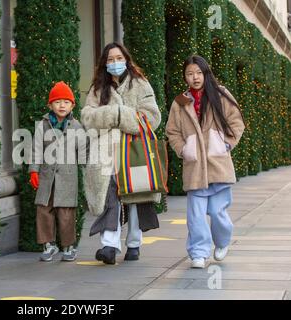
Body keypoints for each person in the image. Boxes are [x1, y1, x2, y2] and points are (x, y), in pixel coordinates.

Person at [81, 42, 162, 264]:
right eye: (110, 59)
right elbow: (87, 117)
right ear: (104, 63)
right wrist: (112, 114)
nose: (114, 63)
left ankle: (134, 243)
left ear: (126, 59)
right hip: (106, 151)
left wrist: (120, 116)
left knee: (135, 196)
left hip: (134, 150)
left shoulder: (141, 84)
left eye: (118, 58)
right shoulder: (98, 88)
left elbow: (152, 117)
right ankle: (109, 244)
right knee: (110, 194)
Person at [166, 55, 245, 268]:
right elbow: (172, 131)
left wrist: (225, 143)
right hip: (195, 167)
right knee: (196, 215)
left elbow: (237, 122)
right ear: (185, 77)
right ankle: (198, 253)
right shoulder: (180, 102)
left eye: (198, 73)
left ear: (205, 73)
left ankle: (222, 241)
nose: (195, 77)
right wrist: (184, 149)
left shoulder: (220, 94)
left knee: (218, 212)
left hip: (218, 165)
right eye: (190, 74)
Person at [29, 81, 86, 262]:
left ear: (72, 105)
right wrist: (33, 171)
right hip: (47, 176)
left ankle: (68, 246)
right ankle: (48, 244)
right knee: (44, 210)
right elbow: (36, 149)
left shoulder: (76, 127)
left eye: (66, 102)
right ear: (50, 105)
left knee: (66, 212)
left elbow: (83, 151)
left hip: (68, 178)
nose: (62, 105)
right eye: (57, 102)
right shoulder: (43, 126)